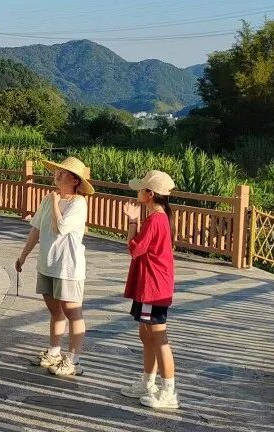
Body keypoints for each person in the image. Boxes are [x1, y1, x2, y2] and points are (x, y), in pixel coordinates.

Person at [14, 157, 94, 377]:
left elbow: (61, 228)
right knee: (55, 311)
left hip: (68, 267)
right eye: (57, 171)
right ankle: (54, 352)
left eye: (63, 172)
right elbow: (36, 229)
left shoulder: (78, 203)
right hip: (47, 264)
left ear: (75, 180)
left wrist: (56, 202)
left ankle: (74, 360)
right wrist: (23, 256)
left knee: (73, 312)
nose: (57, 174)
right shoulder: (49, 199)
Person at [120, 170, 180, 409]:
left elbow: (134, 249)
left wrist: (132, 221)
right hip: (152, 284)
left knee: (158, 337)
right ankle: (148, 382)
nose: (138, 192)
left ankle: (168, 392)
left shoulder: (155, 219)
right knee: (146, 335)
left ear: (150, 193)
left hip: (153, 287)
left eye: (141, 188)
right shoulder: (160, 216)